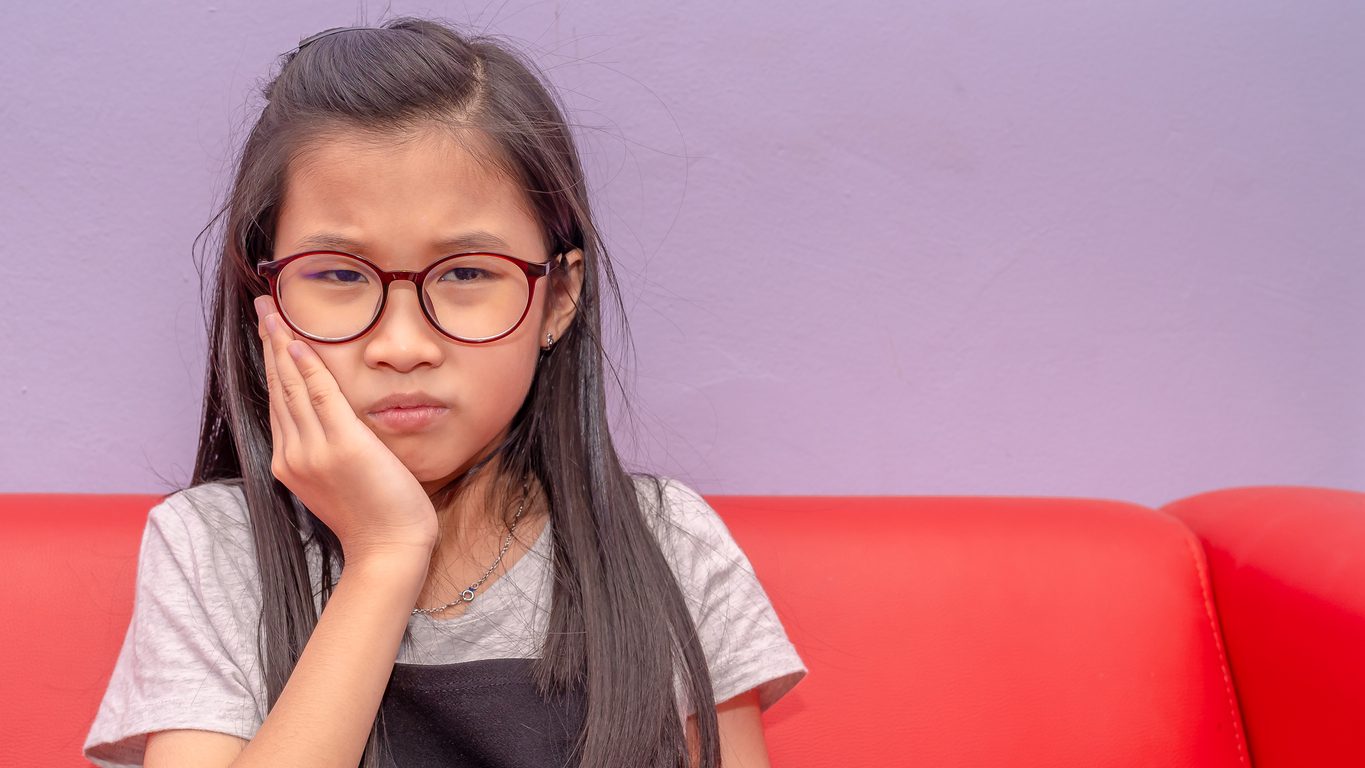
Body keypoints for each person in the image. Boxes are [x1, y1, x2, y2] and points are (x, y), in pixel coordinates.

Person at [82, 16, 806, 768]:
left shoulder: (665, 546)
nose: (402, 345)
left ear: (558, 297)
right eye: (337, 275)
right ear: (263, 294)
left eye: (465, 274)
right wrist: (383, 557)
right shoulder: (215, 547)